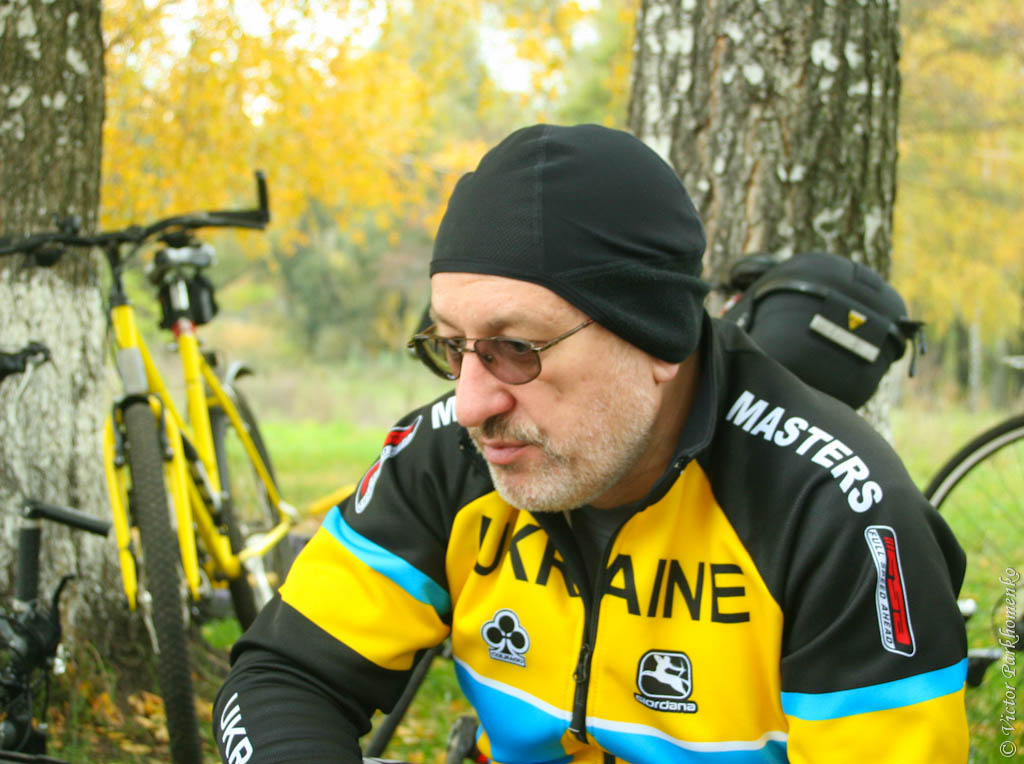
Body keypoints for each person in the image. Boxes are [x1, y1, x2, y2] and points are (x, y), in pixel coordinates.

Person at [214, 124, 969, 763]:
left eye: (517, 347)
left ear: (659, 338)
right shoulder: (448, 452)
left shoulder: (835, 512)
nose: (471, 404)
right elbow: (284, 674)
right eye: (451, 345)